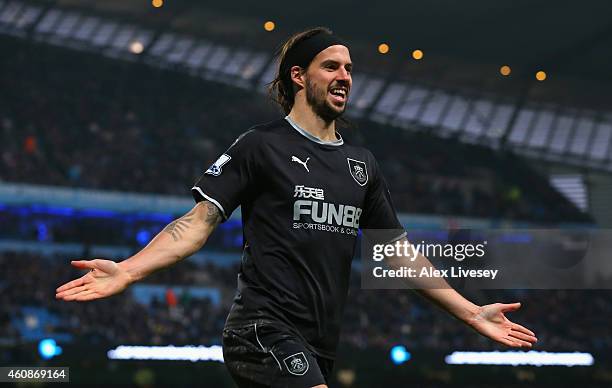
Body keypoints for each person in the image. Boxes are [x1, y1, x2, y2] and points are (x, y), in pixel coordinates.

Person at [56, 27, 537, 388]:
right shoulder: (260, 146)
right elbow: (196, 224)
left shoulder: (361, 165)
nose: (345, 76)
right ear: (299, 76)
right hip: (262, 330)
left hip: (322, 343)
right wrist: (128, 271)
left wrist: (471, 313)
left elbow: (398, 254)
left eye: (349, 68)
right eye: (332, 66)